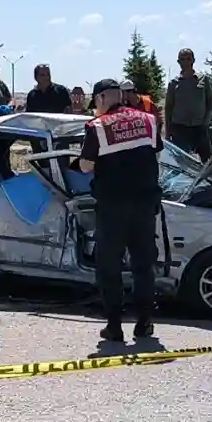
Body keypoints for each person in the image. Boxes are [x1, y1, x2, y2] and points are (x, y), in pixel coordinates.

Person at [77, 79, 162, 342]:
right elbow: (156, 153)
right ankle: (145, 322)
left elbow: (86, 167)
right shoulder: (148, 120)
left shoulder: (97, 127)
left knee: (109, 266)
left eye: (96, 104)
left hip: (113, 206)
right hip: (145, 204)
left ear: (102, 98)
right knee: (143, 264)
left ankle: (114, 326)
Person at [163, 48, 212, 160]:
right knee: (181, 162)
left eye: (188, 59)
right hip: (180, 129)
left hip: (199, 128)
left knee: (208, 161)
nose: (185, 62)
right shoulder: (174, 83)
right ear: (178, 62)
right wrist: (168, 132)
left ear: (193, 60)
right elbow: (168, 108)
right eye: (182, 59)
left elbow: (210, 103)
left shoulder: (203, 79)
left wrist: (206, 122)